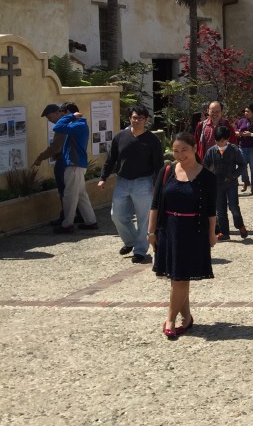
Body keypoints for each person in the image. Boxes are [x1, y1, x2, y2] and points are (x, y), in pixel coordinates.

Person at [148, 132, 217, 339]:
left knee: (180, 278)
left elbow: (211, 210)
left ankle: (170, 318)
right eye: (175, 151)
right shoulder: (167, 171)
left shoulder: (207, 177)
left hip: (193, 230)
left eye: (184, 150)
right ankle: (186, 317)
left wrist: (212, 234)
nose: (179, 155)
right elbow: (155, 204)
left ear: (194, 148)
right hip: (168, 228)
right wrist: (151, 232)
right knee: (177, 277)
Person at [99, 104, 163, 262]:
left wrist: (158, 186)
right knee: (117, 215)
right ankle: (130, 241)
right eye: (134, 118)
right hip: (123, 181)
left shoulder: (153, 140)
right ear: (129, 119)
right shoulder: (120, 137)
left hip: (144, 182)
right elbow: (111, 159)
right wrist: (103, 177)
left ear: (146, 120)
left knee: (144, 219)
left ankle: (140, 250)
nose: (137, 121)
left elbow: (159, 166)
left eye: (141, 118)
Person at [50, 102, 99, 234]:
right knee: (81, 195)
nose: (61, 116)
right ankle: (90, 221)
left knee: (69, 195)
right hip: (76, 165)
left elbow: (58, 127)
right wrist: (70, 117)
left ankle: (67, 224)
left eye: (63, 113)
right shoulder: (77, 125)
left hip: (74, 165)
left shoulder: (78, 125)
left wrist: (70, 116)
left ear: (69, 113)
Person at [33, 103, 83, 226]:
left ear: (57, 113)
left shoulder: (62, 126)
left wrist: (40, 158)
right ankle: (79, 215)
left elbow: (55, 148)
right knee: (76, 190)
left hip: (64, 162)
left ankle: (66, 218)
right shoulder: (70, 123)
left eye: (50, 118)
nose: (50, 121)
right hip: (74, 160)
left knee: (64, 191)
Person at [203, 125, 248, 241]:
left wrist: (234, 175)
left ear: (227, 139)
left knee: (233, 207)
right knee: (220, 210)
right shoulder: (211, 151)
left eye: (222, 141)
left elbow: (242, 164)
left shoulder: (234, 149)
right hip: (217, 185)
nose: (220, 143)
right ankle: (224, 232)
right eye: (217, 141)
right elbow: (205, 166)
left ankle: (240, 226)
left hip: (231, 183)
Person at [235, 104, 253, 195]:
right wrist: (239, 133)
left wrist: (251, 134)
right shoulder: (241, 121)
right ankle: (245, 182)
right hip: (242, 147)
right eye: (245, 111)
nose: (246, 113)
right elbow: (235, 131)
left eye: (248, 111)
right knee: (242, 166)